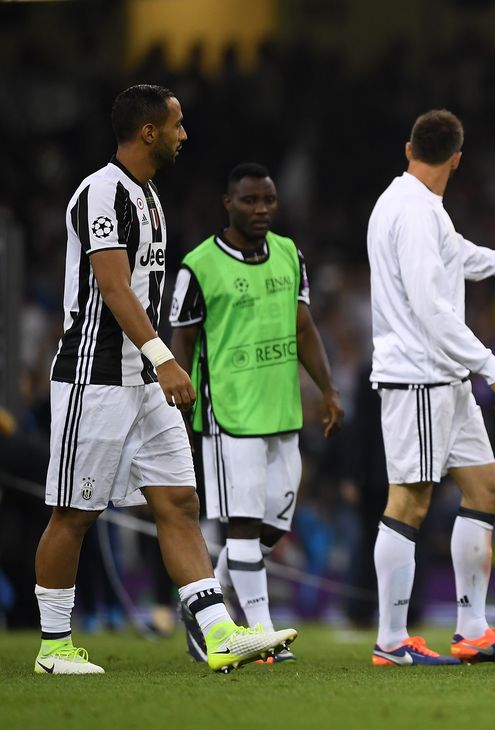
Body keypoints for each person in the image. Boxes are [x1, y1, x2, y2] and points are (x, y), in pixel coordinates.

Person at [34, 85, 296, 675]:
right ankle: (53, 647)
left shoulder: (148, 195)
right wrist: (164, 357)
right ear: (148, 132)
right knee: (73, 512)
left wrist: (153, 366)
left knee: (179, 501)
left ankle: (221, 634)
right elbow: (113, 286)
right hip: (93, 378)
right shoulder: (102, 193)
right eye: (177, 125)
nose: (185, 134)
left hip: (143, 378)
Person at [366, 109, 495, 666]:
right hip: (418, 378)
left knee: (485, 489)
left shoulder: (423, 207)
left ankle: (473, 629)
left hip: (446, 381)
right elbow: (432, 310)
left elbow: (458, 253)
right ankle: (390, 640)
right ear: (457, 159)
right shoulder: (409, 212)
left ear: (410, 147)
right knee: (409, 501)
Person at [170, 163, 345, 663]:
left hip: (283, 414)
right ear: (228, 204)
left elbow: (304, 327)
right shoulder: (200, 265)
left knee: (271, 531)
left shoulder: (289, 254)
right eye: (249, 200)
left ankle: (205, 607)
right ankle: (264, 635)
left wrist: (329, 390)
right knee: (242, 527)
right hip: (229, 416)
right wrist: (179, 410)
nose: (261, 209)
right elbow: (182, 341)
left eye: (268, 199)